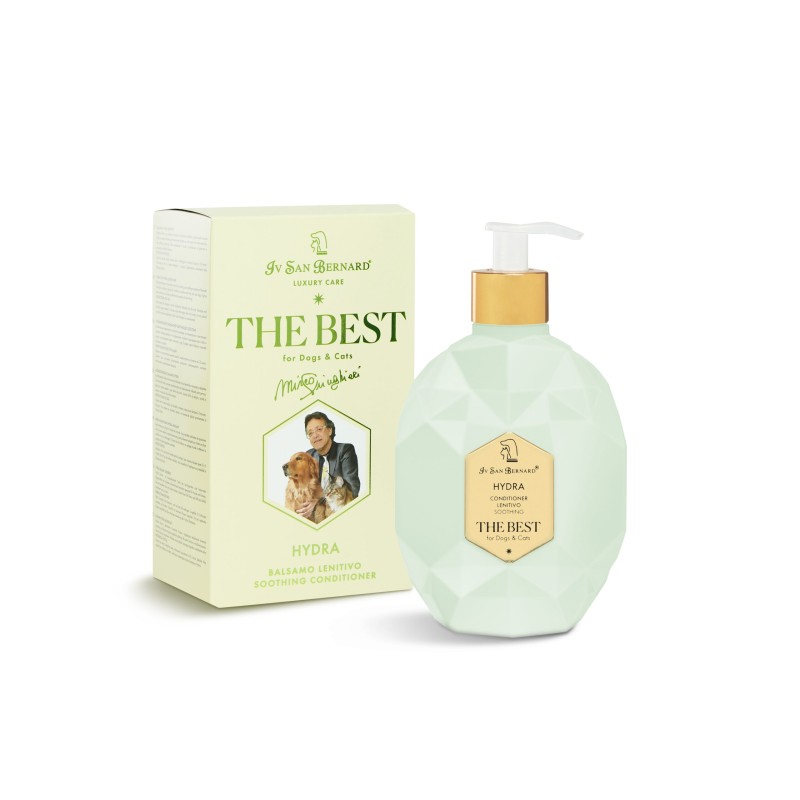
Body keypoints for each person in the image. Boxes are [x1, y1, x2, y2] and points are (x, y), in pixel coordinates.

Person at [295, 412, 360, 519]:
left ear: (330, 430)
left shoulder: (345, 450)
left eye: (319, 429)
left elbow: (353, 489)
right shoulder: (309, 455)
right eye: (310, 433)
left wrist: (318, 504)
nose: (315, 435)